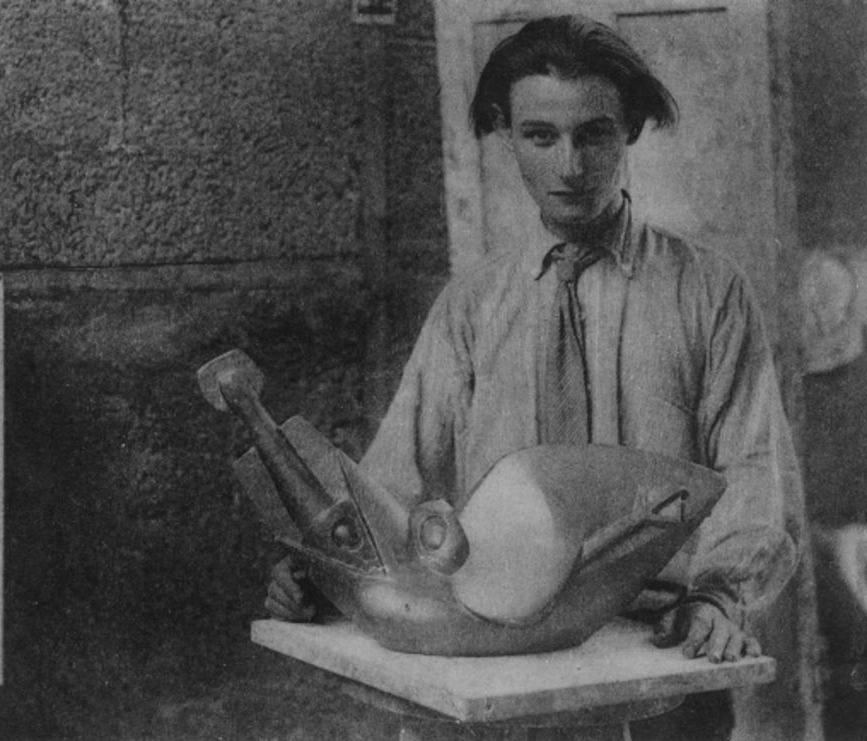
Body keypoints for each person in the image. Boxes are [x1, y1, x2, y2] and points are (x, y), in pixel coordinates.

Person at [267, 12, 801, 680]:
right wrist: (326, 573)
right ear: (506, 136)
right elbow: (394, 491)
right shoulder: (470, 306)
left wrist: (721, 597)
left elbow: (756, 470)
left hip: (659, 645)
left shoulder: (709, 291)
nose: (570, 165)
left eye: (594, 134)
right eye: (541, 136)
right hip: (498, 653)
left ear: (630, 130)